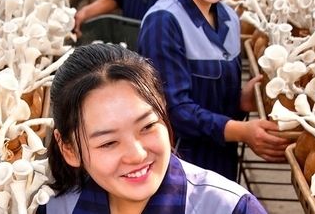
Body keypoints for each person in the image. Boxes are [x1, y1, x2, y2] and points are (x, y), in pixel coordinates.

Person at [137, 0, 290, 182]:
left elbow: (213, 100)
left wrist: (239, 101)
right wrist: (242, 131)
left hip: (221, 166)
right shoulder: (163, 21)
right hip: (179, 171)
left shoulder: (230, 20)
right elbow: (175, 110)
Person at [39, 43, 267, 213]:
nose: (137, 154)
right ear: (69, 149)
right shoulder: (51, 207)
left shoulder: (232, 209)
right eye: (108, 142)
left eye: (147, 126)